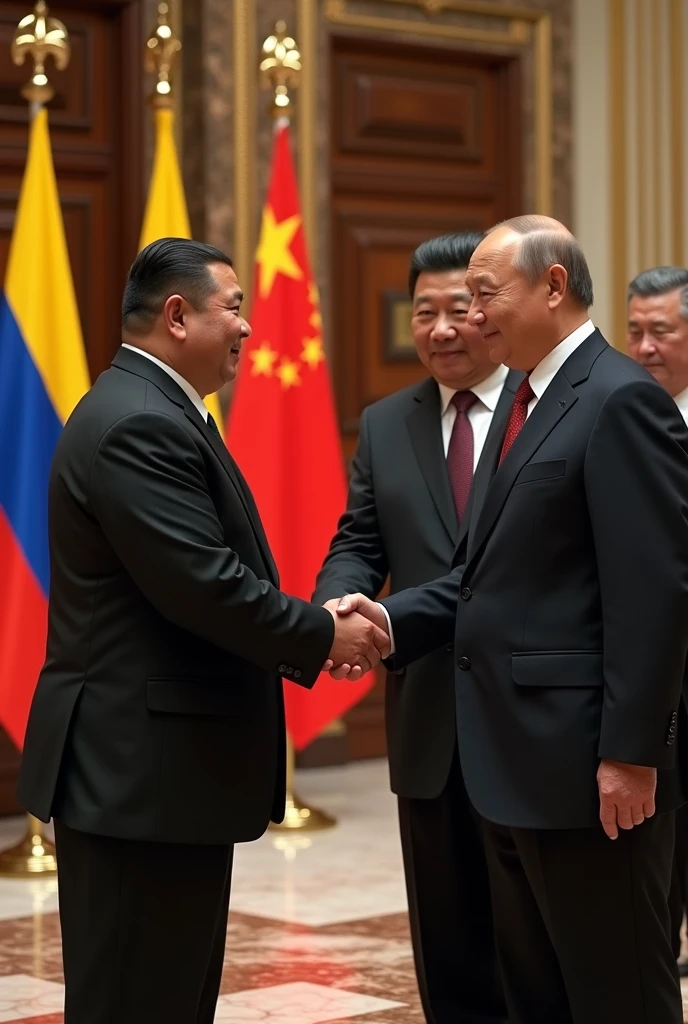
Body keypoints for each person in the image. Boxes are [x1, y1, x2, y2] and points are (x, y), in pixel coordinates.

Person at [17, 238, 388, 1024]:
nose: (248, 329)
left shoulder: (152, 409)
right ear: (178, 316)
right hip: (136, 773)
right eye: (234, 308)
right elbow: (203, 588)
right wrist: (324, 635)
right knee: (138, 997)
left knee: (171, 992)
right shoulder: (138, 424)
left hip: (158, 775)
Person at [332, 217, 688, 1024]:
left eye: (486, 295)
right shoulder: (531, 402)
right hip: (518, 769)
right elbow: (481, 579)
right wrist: (385, 620)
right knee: (539, 995)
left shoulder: (618, 398)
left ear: (553, 288)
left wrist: (633, 755)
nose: (474, 316)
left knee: (617, 991)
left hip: (590, 776)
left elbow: (653, 593)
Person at [314, 231, 519, 1023]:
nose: (441, 329)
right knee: (448, 943)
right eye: (423, 312)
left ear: (492, 314)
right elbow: (360, 541)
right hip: (430, 716)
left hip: (531, 718)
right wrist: (339, 606)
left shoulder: (548, 413)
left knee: (535, 941)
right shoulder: (386, 422)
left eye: (460, 310)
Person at [626, 264, 688, 968]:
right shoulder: (622, 415)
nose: (644, 347)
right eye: (635, 330)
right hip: (659, 708)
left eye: (661, 331)